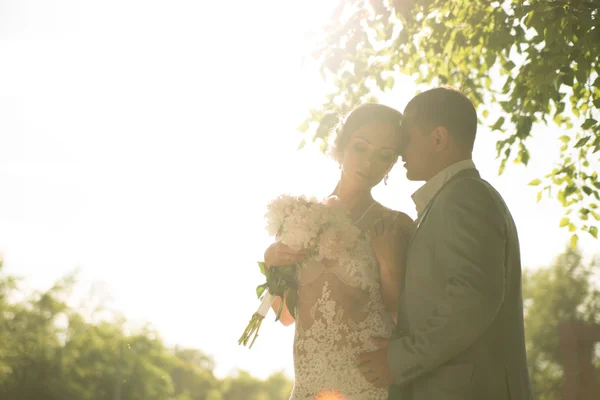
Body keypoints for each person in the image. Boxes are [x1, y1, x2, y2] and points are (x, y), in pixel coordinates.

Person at [356, 86, 533, 400]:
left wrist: (397, 361)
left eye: (406, 139)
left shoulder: (466, 197)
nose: (400, 152)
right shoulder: (448, 201)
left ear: (438, 138)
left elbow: (474, 298)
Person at [264, 103, 413, 400]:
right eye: (361, 147)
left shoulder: (395, 225)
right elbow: (285, 317)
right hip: (310, 387)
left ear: (392, 165)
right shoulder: (299, 217)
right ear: (342, 145)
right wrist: (272, 265)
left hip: (368, 385)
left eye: (385, 155)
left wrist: (388, 266)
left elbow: (405, 320)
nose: (370, 162)